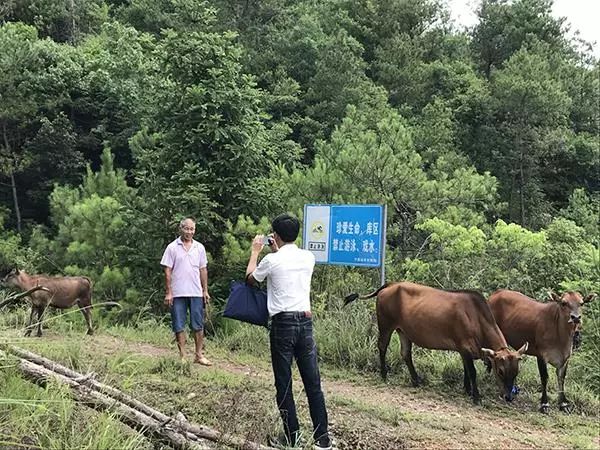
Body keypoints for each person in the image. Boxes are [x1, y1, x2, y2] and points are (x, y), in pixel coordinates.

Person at [246, 213, 332, 450]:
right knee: (313, 383)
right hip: (305, 324)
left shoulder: (271, 261)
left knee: (284, 383)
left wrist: (255, 252)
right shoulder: (308, 257)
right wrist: (277, 250)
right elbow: (286, 267)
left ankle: (292, 437)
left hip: (282, 325)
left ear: (275, 235)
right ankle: (322, 439)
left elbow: (251, 279)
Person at [160, 217, 212, 365]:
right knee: (179, 324)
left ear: (195, 230)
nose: (189, 232)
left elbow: (203, 269)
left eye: (192, 229)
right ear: (181, 228)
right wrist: (169, 292)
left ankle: (198, 355)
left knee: (198, 324)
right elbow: (167, 270)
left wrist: (205, 290)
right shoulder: (172, 247)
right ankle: (182, 356)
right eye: (187, 229)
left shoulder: (199, 247)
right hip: (178, 292)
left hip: (195, 291)